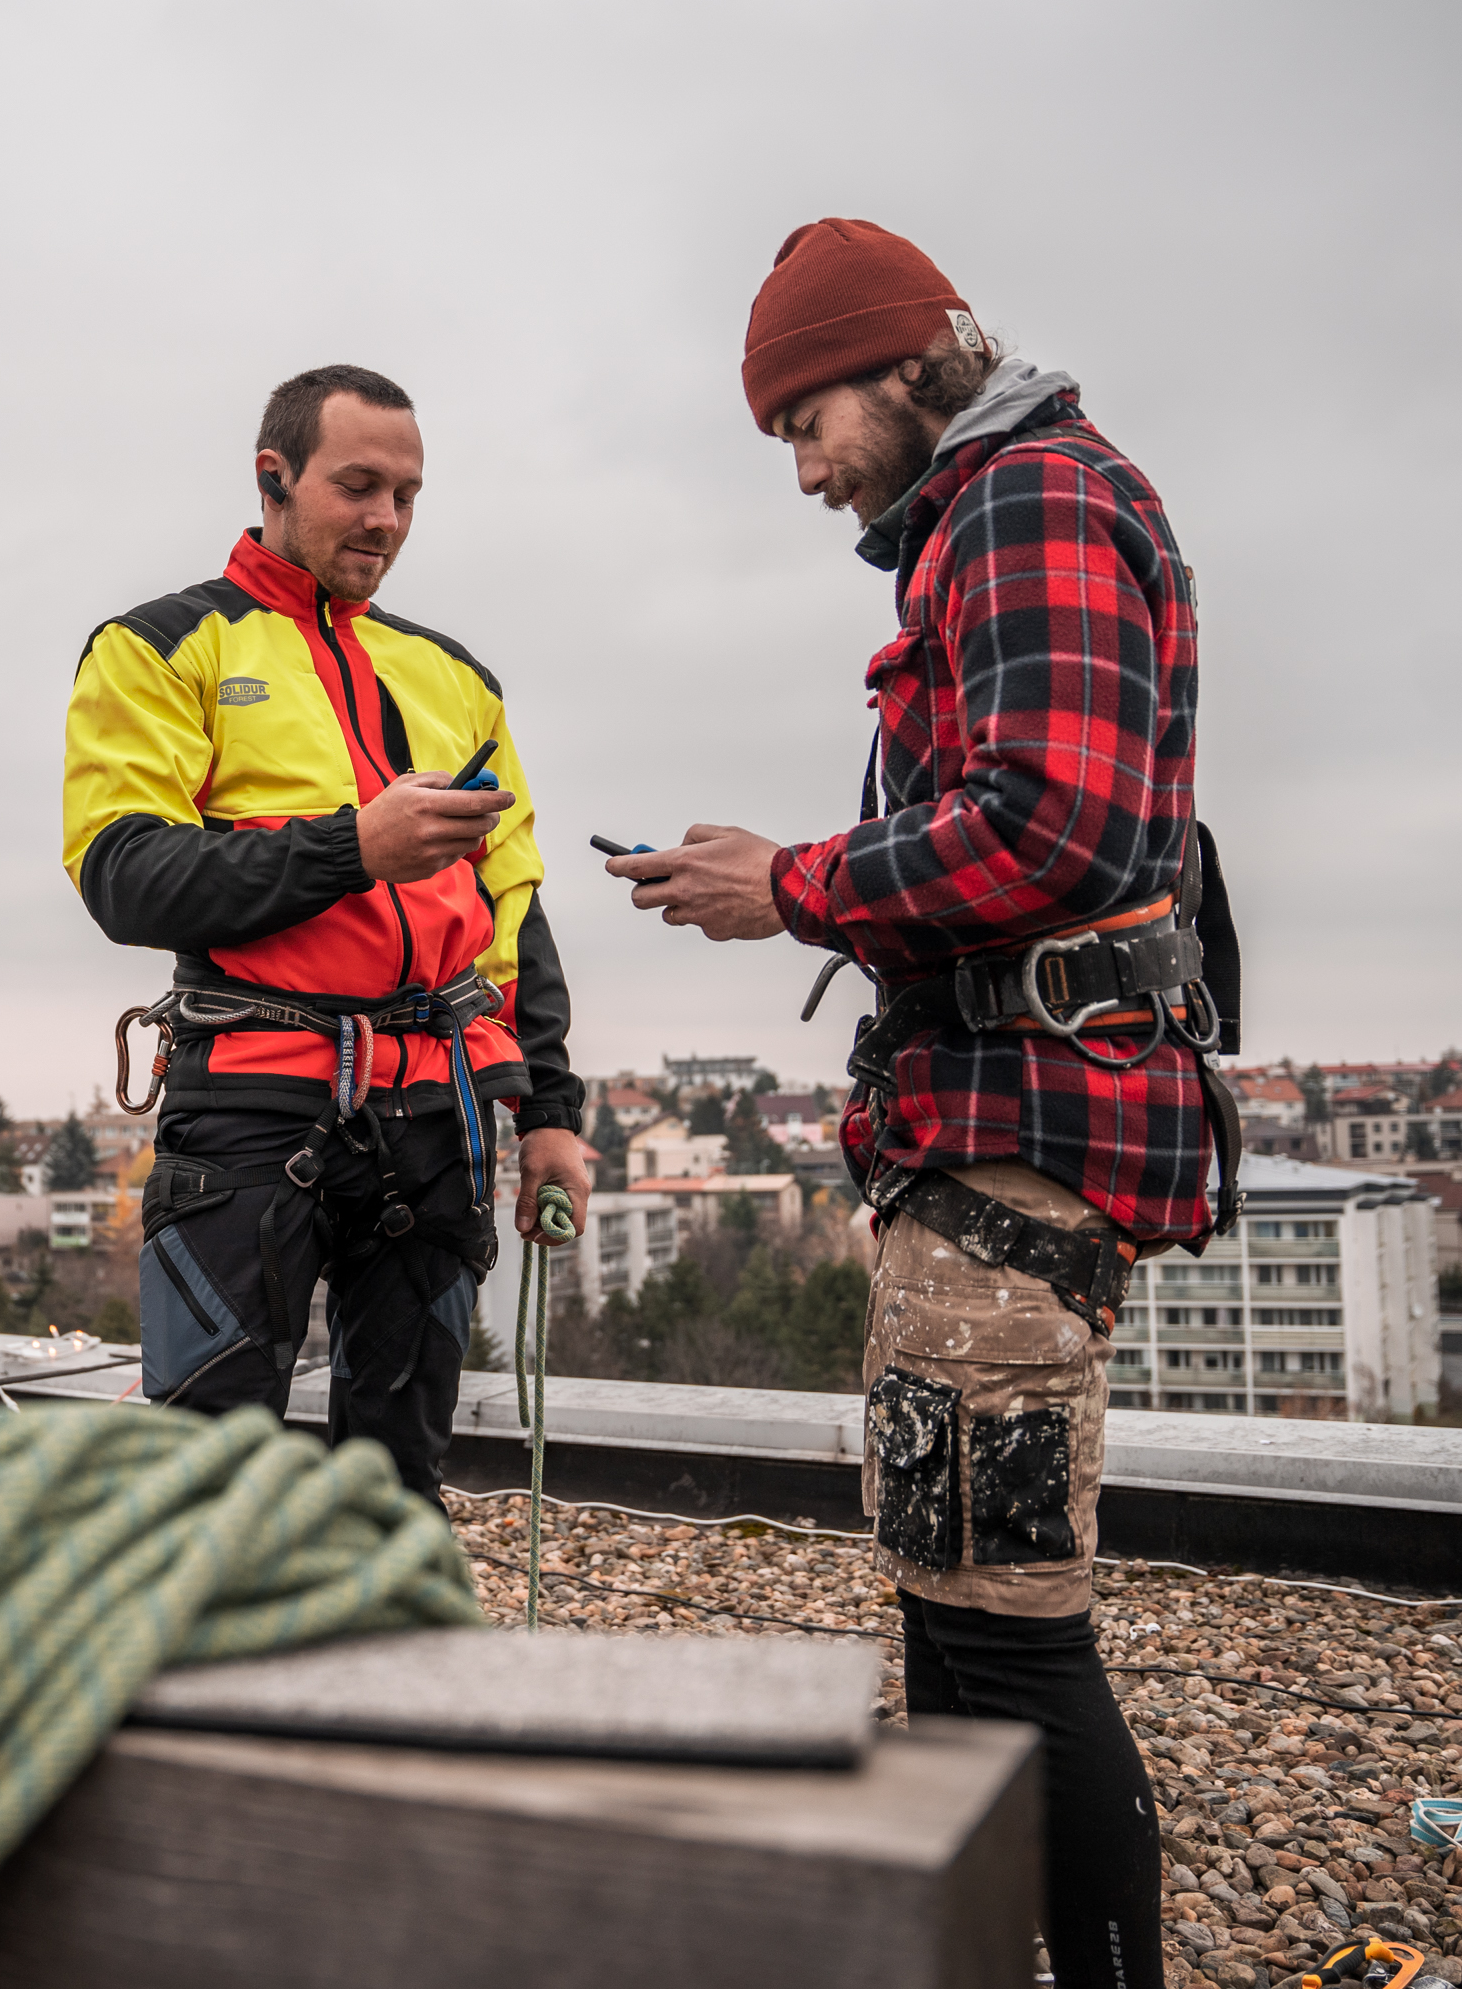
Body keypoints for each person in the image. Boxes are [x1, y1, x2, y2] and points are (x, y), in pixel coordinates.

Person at [610, 220, 1242, 1989]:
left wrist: (790, 884)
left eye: (804, 419)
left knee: (1011, 1637)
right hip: (988, 1150)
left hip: (1022, 1151)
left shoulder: (1026, 501)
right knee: (956, 1614)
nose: (802, 468)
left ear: (902, 365)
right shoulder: (989, 518)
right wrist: (799, 874)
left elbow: (1060, 827)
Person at [62, 364, 594, 1499]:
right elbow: (125, 873)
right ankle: (202, 1668)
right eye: (358, 485)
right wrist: (354, 847)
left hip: (437, 1113)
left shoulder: (455, 675)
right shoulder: (159, 647)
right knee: (206, 1477)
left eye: (407, 493)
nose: (387, 519)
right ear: (273, 477)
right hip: (256, 1105)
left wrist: (549, 1113)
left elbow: (514, 906)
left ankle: (381, 1664)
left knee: (399, 1477)